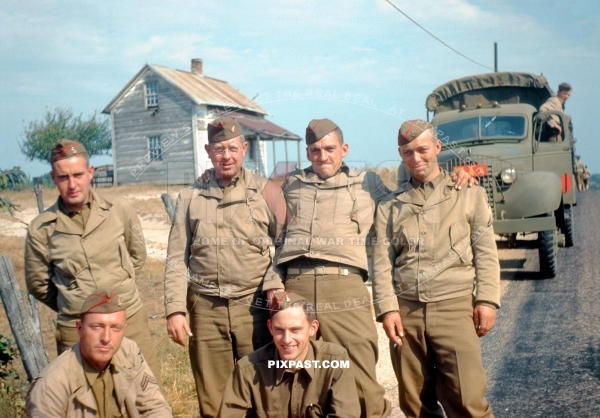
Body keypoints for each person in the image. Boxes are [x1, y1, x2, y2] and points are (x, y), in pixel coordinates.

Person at [268, 118, 475, 418]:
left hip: (345, 288)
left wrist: (456, 175)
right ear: (307, 152)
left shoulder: (369, 183)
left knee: (360, 376)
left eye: (329, 148)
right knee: (295, 376)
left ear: (344, 149)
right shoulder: (291, 185)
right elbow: (273, 238)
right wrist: (275, 285)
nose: (322, 156)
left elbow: (410, 200)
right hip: (295, 287)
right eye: (314, 150)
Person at [372, 119, 501, 418]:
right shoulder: (390, 207)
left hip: (454, 309)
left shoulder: (468, 194)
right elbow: (380, 263)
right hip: (407, 314)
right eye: (407, 152)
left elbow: (485, 253)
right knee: (416, 404)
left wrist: (487, 300)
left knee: (468, 400)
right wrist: (387, 309)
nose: (415, 158)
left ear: (438, 148)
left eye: (422, 149)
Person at [164, 116, 286, 417]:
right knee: (214, 400)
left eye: (233, 148)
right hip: (206, 312)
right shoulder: (190, 197)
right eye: (219, 149)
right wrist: (175, 310)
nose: (226, 156)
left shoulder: (266, 192)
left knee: (265, 393)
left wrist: (273, 283)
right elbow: (176, 257)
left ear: (244, 148)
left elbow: (288, 243)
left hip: (254, 308)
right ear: (208, 150)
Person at [24, 139, 161, 382]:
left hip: (128, 318)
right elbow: (38, 285)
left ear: (90, 173)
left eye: (78, 174)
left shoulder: (119, 209)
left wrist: (118, 294)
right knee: (83, 402)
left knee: (145, 392)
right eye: (64, 177)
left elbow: (137, 255)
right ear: (53, 178)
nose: (72, 184)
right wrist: (76, 302)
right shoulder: (41, 228)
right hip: (76, 327)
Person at [26, 290, 171, 417]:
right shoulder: (51, 385)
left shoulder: (129, 351)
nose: (106, 338)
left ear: (124, 330)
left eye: (116, 328)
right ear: (79, 328)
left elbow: (155, 407)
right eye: (96, 327)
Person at [218, 291, 360, 418]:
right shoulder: (247, 370)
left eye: (295, 330)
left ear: (313, 328)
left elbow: (346, 414)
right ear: (270, 328)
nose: (286, 340)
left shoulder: (335, 360)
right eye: (279, 330)